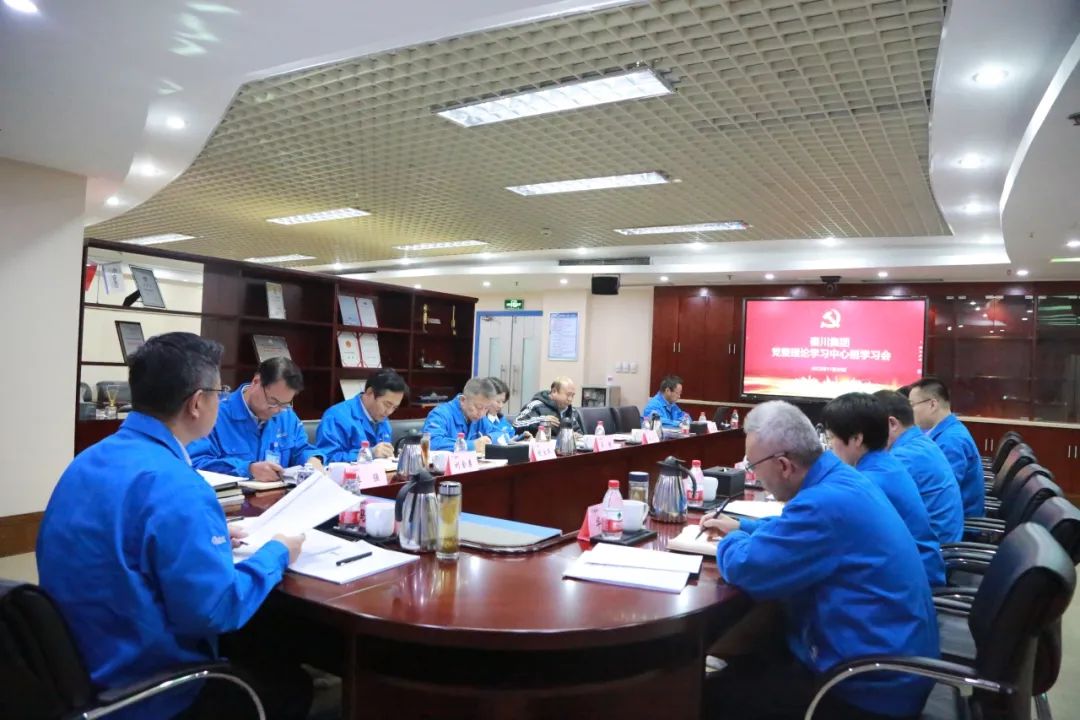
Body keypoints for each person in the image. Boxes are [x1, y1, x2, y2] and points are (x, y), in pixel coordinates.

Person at [37, 333, 310, 720]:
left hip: (73, 666)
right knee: (290, 685)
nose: (222, 399)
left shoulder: (87, 460)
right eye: (219, 392)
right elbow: (218, 610)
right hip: (146, 689)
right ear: (197, 403)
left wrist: (203, 535)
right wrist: (278, 553)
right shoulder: (179, 485)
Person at [702, 400, 938, 719]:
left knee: (708, 697)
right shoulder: (842, 479)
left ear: (784, 465)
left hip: (865, 688)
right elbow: (799, 531)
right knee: (756, 644)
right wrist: (745, 527)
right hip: (887, 660)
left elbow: (747, 567)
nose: (754, 474)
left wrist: (730, 540)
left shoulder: (823, 503)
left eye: (753, 466)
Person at [822, 393, 945, 587]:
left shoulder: (870, 481)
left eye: (831, 438)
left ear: (856, 438)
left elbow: (823, 529)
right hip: (914, 569)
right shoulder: (886, 463)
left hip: (910, 579)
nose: (830, 447)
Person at [188, 357, 323, 481]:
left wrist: (313, 460)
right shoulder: (214, 414)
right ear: (256, 382)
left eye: (285, 404)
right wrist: (248, 469)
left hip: (278, 496)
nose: (276, 410)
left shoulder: (286, 415)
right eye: (273, 401)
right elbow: (196, 464)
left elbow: (301, 449)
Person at [874, 389, 965, 543]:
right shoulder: (920, 441)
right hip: (945, 535)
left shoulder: (903, 457)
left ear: (892, 424)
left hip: (935, 545)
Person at [908, 377, 985, 517]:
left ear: (932, 404)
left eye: (912, 405)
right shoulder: (947, 431)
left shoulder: (950, 441)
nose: (909, 412)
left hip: (961, 523)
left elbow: (941, 495)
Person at [316, 369, 408, 461]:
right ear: (370, 392)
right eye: (387, 404)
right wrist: (369, 453)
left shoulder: (383, 419)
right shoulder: (336, 416)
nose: (389, 412)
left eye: (394, 407)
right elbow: (327, 458)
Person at [423, 377, 496, 452]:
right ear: (463, 400)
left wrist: (489, 438)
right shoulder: (440, 414)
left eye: (486, 408)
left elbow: (500, 434)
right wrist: (471, 445)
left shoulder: (479, 417)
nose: (482, 414)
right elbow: (432, 442)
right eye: (478, 407)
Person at [512, 376, 584, 436]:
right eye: (568, 395)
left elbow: (579, 433)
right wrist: (541, 421)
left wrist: (576, 436)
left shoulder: (571, 411)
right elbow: (516, 424)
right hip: (539, 447)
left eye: (572, 395)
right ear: (554, 391)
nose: (570, 399)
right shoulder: (536, 405)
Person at [478, 376, 528, 444]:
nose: (501, 406)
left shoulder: (502, 420)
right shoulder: (480, 420)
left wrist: (522, 438)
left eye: (503, 402)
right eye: (498, 401)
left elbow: (511, 439)